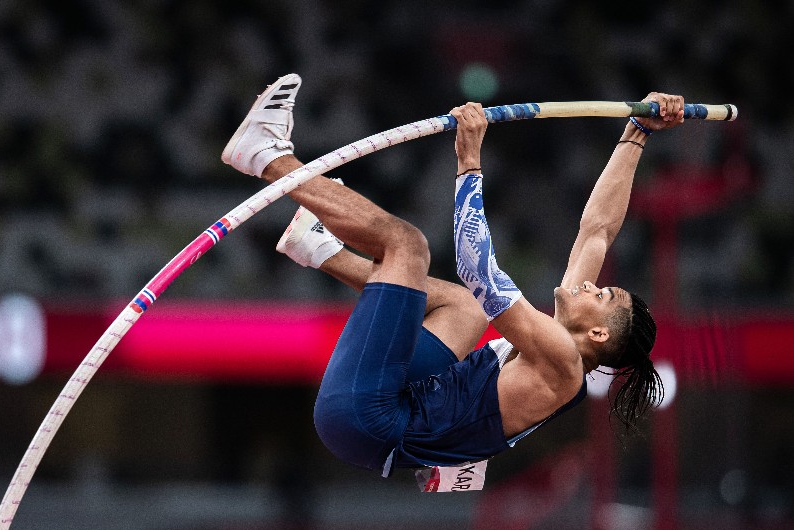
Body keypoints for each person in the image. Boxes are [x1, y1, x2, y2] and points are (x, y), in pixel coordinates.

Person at [221, 74, 675, 482]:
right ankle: (320, 249)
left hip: (369, 421)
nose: (592, 285)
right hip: (401, 406)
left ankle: (266, 158)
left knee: (407, 245)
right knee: (465, 309)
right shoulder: (561, 349)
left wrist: (469, 158)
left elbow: (479, 270)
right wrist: (636, 134)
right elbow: (598, 230)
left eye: (604, 295)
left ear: (596, 332)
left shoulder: (560, 361)